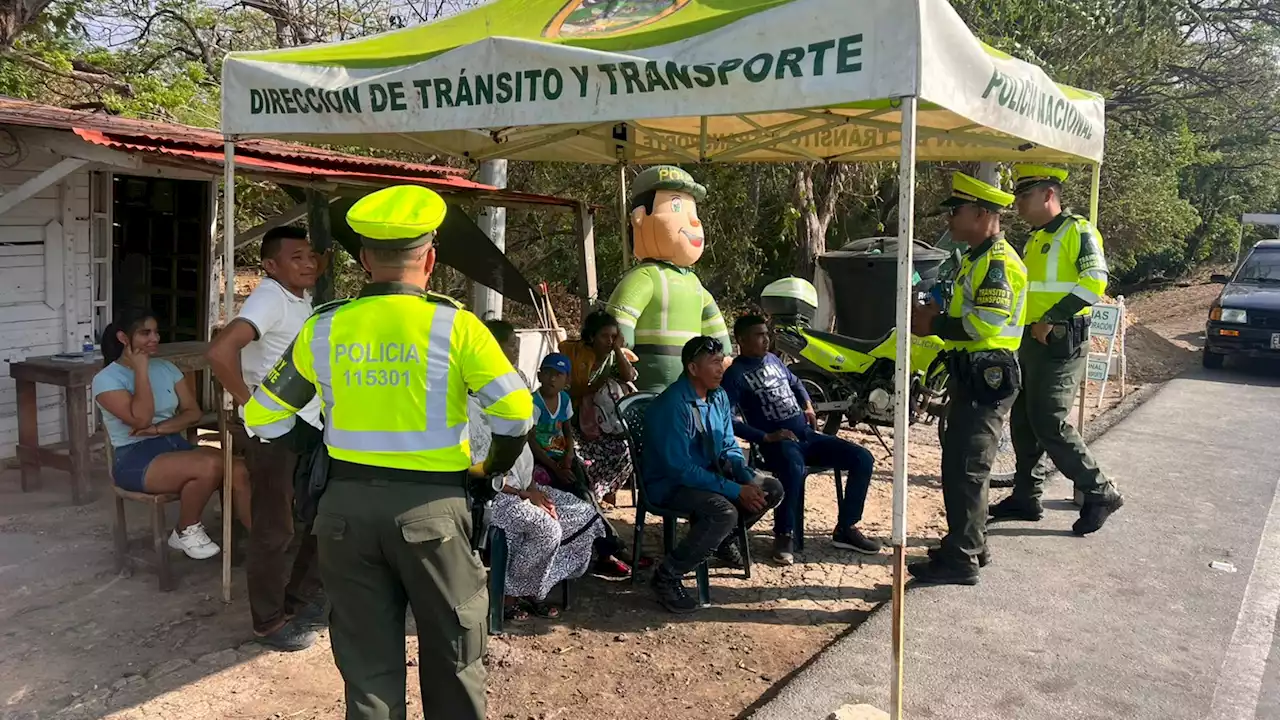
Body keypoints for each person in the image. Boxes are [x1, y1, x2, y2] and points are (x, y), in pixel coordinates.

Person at [243, 185, 533, 720]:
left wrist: (318, 449)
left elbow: (261, 416)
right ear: (430, 257)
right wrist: (489, 469)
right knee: (453, 656)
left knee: (368, 670)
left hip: (343, 514)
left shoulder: (323, 326)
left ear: (364, 259)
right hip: (434, 515)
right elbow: (515, 415)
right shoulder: (456, 326)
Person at [206, 224, 327, 652]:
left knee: (318, 515)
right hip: (273, 432)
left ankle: (299, 599)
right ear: (271, 265)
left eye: (311, 255)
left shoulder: (301, 299)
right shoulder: (269, 297)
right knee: (274, 529)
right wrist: (250, 406)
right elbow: (220, 352)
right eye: (297, 257)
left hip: (304, 425)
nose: (309, 262)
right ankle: (269, 622)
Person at [908, 173, 1027, 586]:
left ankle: (963, 558)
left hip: (986, 377)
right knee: (959, 464)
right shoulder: (975, 258)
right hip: (972, 376)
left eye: (955, 212)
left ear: (981, 214)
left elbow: (986, 322)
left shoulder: (996, 263)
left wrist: (935, 324)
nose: (949, 220)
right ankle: (970, 542)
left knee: (967, 468)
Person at [992, 164, 1125, 536]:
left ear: (1049, 194)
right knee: (1023, 419)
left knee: (1049, 420)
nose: (1018, 204)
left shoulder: (1078, 231)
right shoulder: (1036, 238)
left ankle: (1099, 490)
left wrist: (1052, 316)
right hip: (1031, 341)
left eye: (1025, 197)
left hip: (1060, 340)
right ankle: (1026, 496)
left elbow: (1095, 281)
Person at [722, 315, 880, 565]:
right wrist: (766, 436)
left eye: (767, 334)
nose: (766, 340)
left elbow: (796, 383)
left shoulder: (773, 360)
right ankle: (784, 535)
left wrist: (807, 406)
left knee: (862, 457)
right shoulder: (735, 375)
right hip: (775, 445)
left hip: (806, 436)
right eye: (759, 335)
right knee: (793, 467)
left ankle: (846, 528)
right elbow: (727, 420)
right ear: (741, 340)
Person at [94, 308, 250, 559]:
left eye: (156, 332)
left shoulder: (166, 368)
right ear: (124, 338)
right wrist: (141, 371)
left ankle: (259, 541)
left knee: (238, 468)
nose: (154, 338)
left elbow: (192, 412)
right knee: (209, 465)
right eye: (145, 333)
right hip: (135, 458)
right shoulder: (106, 379)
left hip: (174, 447)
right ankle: (185, 530)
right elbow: (141, 417)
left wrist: (159, 428)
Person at [642, 336, 784, 613]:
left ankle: (721, 540)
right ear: (693, 369)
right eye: (714, 363)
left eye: (722, 362)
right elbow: (679, 469)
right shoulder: (674, 405)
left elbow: (728, 443)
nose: (721, 369)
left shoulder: (718, 396)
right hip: (669, 484)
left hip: (708, 474)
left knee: (771, 488)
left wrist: (742, 476)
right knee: (723, 511)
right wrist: (733, 490)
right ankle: (667, 576)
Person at [467, 354, 603, 621]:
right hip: (494, 496)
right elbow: (481, 475)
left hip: (523, 489)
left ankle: (535, 587)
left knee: (583, 514)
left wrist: (534, 491)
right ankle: (509, 597)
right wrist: (526, 495)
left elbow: (525, 463)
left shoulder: (515, 418)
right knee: (546, 527)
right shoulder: (474, 417)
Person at [605, 166, 731, 393]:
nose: (694, 222)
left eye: (693, 212)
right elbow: (621, 314)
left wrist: (724, 353)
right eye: (676, 206)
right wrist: (620, 348)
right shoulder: (646, 277)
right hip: (651, 383)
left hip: (693, 383)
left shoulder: (694, 282)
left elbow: (712, 320)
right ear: (640, 217)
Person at [559, 310, 637, 505]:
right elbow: (563, 393)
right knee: (577, 457)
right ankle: (584, 497)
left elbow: (628, 375)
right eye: (604, 336)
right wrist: (589, 390)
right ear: (591, 336)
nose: (609, 341)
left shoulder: (612, 357)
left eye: (614, 336)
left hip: (602, 424)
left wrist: (618, 350)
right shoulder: (573, 355)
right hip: (571, 422)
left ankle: (598, 494)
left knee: (626, 451)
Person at [529, 353, 589, 493]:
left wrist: (569, 455)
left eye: (558, 374)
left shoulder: (565, 399)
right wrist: (556, 468)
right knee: (549, 482)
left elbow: (568, 430)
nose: (552, 378)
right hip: (540, 456)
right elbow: (531, 440)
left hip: (559, 452)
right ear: (539, 376)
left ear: (567, 380)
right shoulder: (534, 403)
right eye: (548, 373)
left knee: (580, 480)